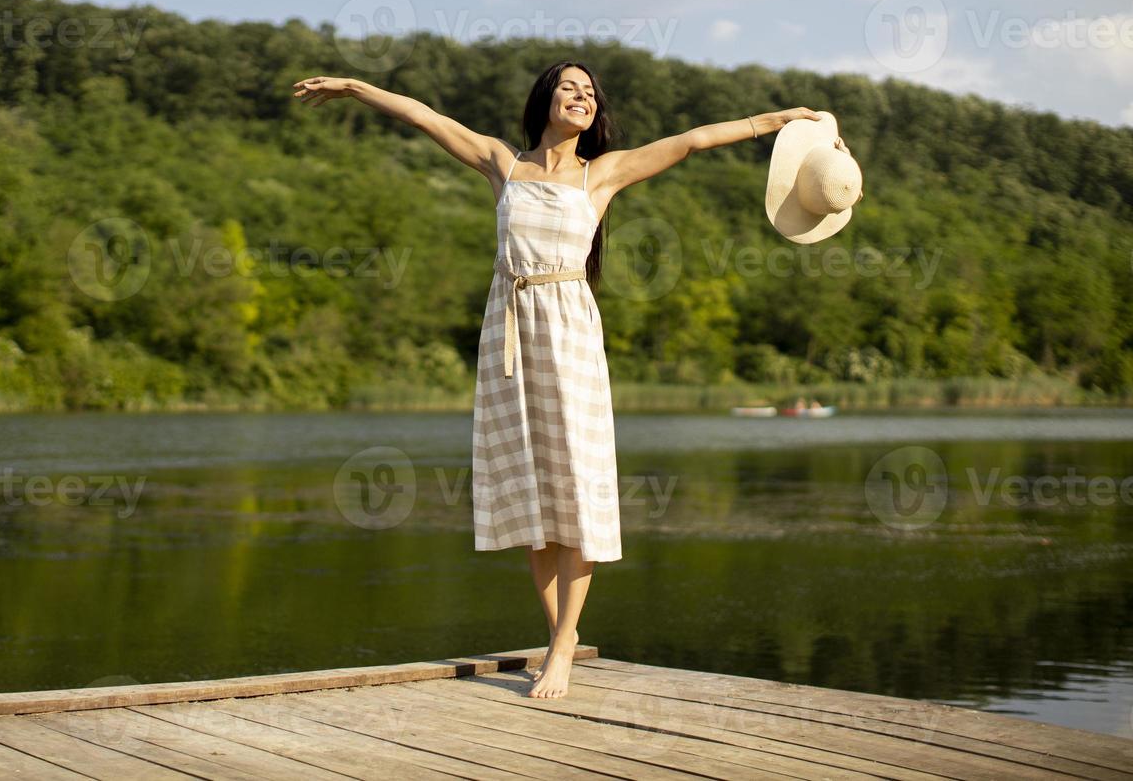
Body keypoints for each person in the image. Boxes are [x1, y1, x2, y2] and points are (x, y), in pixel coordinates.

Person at [293, 62, 820, 698]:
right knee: (529, 489)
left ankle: (566, 641)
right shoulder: (503, 164)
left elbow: (691, 140)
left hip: (570, 329)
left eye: (591, 92)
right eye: (570, 88)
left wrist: (776, 122)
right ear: (545, 99)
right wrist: (353, 87)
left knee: (579, 483)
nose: (582, 97)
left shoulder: (602, 174)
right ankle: (556, 635)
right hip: (510, 332)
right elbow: (422, 114)